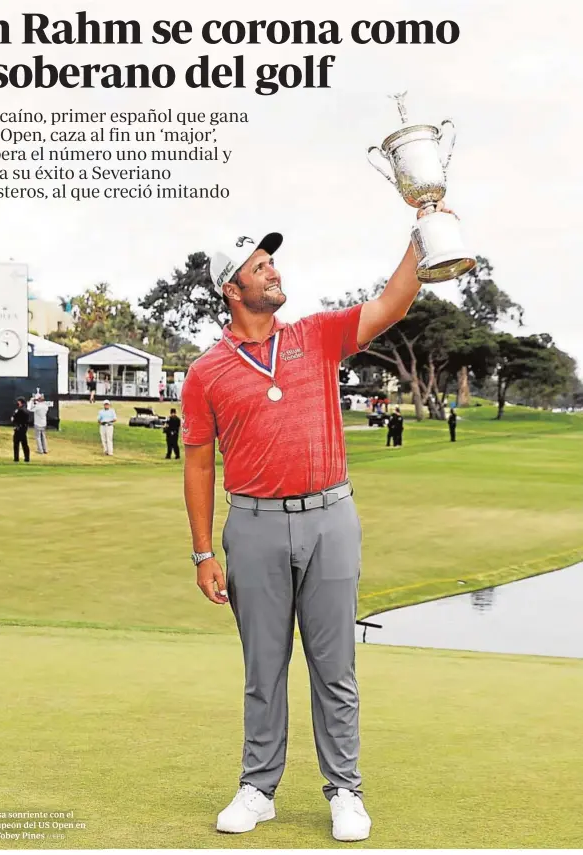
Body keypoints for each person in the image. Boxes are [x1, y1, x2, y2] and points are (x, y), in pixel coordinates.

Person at [181, 209, 454, 842]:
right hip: (252, 525)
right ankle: (258, 786)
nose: (273, 271)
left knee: (335, 666)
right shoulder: (205, 373)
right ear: (233, 287)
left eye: (272, 261)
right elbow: (197, 466)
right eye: (260, 265)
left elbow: (391, 302)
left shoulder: (316, 334)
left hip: (331, 516)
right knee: (264, 667)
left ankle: (345, 791)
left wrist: (425, 233)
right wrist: (201, 553)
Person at [11, 397, 30, 462]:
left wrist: (13, 420)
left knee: (16, 444)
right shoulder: (26, 410)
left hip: (18, 428)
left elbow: (14, 418)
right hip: (24, 428)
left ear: (20, 402)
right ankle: (27, 458)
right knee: (24, 444)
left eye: (18, 401)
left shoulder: (19, 410)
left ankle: (16, 458)